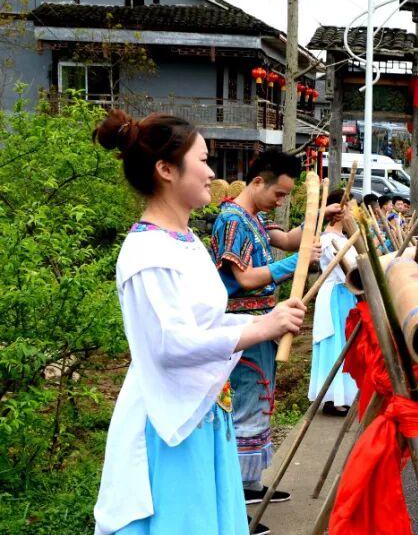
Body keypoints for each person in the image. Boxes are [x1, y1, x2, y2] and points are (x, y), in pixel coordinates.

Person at [92, 110, 306, 535]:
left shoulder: (184, 240)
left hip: (202, 410)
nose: (212, 172)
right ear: (166, 169)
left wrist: (269, 319)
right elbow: (171, 344)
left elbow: (205, 321)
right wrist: (260, 328)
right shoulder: (148, 254)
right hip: (168, 424)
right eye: (204, 159)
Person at [210, 150, 330, 521]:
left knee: (260, 399)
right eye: (278, 194)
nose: (280, 202)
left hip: (265, 324)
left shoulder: (254, 217)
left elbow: (290, 239)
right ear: (258, 181)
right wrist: (294, 264)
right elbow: (243, 278)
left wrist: (318, 222)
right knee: (245, 403)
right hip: (242, 328)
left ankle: (249, 485)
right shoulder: (231, 220)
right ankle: (236, 502)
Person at [309, 190, 360, 417]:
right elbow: (348, 268)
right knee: (337, 342)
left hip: (346, 294)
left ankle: (346, 396)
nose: (353, 212)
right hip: (335, 295)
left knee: (348, 343)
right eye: (350, 207)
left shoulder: (343, 238)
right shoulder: (328, 239)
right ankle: (335, 397)